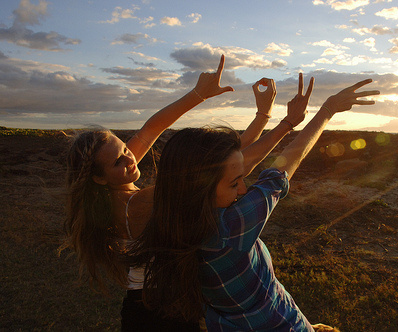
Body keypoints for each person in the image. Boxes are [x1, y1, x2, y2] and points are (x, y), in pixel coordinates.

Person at [61, 55, 295, 330]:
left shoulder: (109, 187)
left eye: (125, 148)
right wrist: (280, 122)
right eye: (117, 161)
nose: (129, 159)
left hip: (142, 304)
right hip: (164, 312)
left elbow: (151, 129)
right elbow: (230, 164)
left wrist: (199, 94)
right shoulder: (138, 203)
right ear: (98, 177)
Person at [129, 76, 380, 331]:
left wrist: (281, 120)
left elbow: (235, 164)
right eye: (234, 183)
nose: (243, 188)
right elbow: (285, 165)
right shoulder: (230, 228)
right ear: (200, 189)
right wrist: (327, 110)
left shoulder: (170, 216)